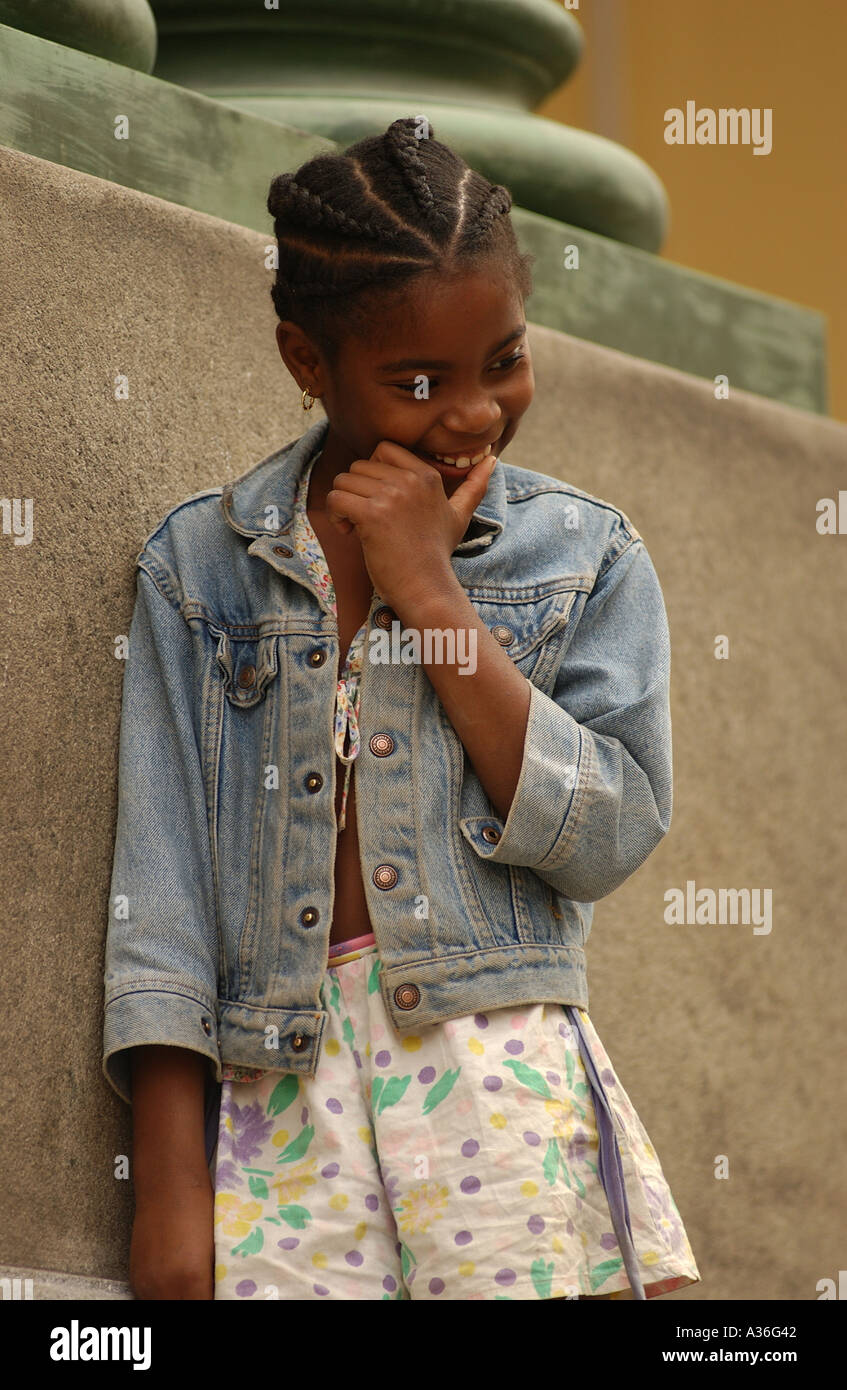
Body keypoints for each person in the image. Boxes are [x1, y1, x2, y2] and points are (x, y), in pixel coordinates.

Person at [103, 116, 701, 1302]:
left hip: (494, 1082)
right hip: (279, 1097)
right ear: (306, 359)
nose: (475, 412)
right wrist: (170, 1193)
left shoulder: (583, 557)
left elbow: (612, 831)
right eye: (419, 381)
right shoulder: (200, 565)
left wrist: (431, 591)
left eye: (504, 359)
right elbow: (158, 887)